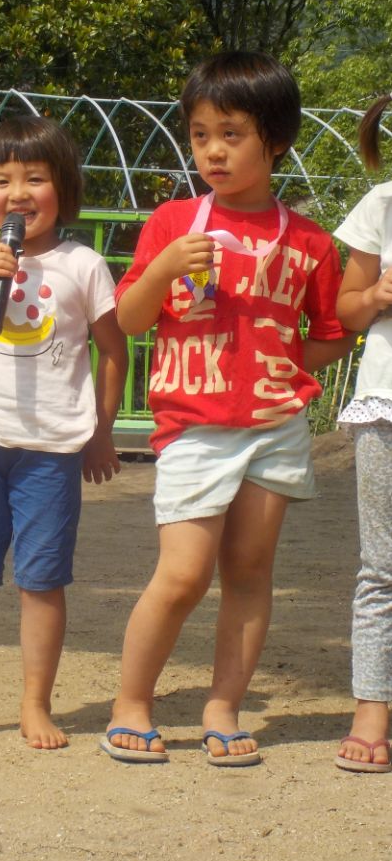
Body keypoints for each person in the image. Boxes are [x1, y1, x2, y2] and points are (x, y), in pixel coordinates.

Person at [102, 51, 353, 766]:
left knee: (248, 572)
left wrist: (283, 367)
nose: (213, 150)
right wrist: (163, 268)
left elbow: (332, 335)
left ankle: (224, 706)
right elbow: (130, 319)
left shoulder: (309, 241)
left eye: (232, 134)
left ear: (276, 141)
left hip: (275, 428)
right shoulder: (174, 222)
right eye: (201, 134)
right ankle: (131, 705)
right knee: (182, 574)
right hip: (194, 426)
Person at [0, 115, 128, 749]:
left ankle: (36, 704)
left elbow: (114, 351)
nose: (17, 194)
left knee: (43, 580)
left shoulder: (83, 264)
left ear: (63, 187)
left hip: (52, 449)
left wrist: (101, 432)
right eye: (1, 180)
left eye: (35, 179)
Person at [333, 94, 392, 773]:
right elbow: (346, 309)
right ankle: (372, 709)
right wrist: (376, 297)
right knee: (383, 567)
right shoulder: (382, 203)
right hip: (385, 408)